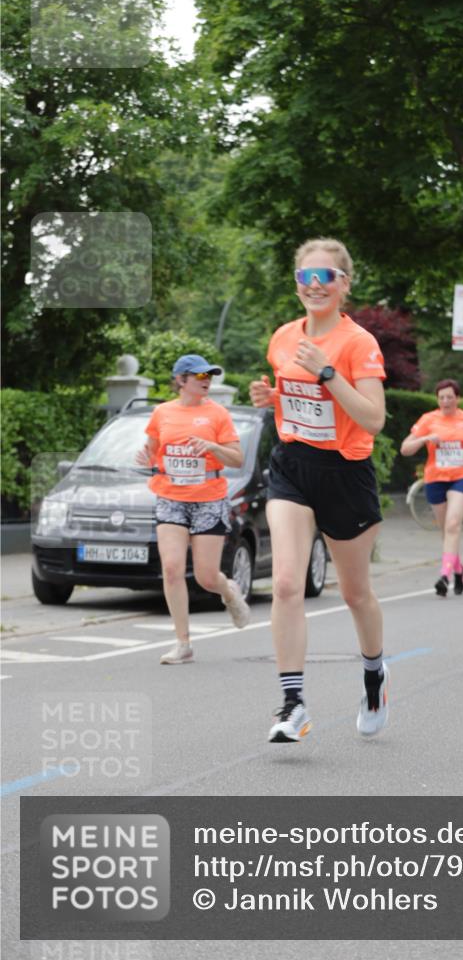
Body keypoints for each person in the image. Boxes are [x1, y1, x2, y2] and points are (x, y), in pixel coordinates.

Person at [249, 238, 389, 743]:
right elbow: (292, 397)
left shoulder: (358, 344)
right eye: (305, 277)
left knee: (355, 594)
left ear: (343, 284)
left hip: (345, 473)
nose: (314, 286)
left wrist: (327, 372)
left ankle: (374, 675)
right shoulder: (284, 337)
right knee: (286, 583)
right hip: (292, 466)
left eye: (325, 276)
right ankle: (292, 703)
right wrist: (272, 396)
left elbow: (373, 418)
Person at [136, 354, 250, 665]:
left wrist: (213, 448)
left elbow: (237, 459)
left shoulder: (218, 415)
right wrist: (146, 458)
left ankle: (228, 590)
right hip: (170, 496)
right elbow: (152, 450)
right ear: (181, 380)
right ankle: (182, 643)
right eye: (200, 377)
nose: (206, 381)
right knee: (171, 568)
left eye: (209, 376)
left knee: (206, 577)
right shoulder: (162, 413)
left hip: (208, 498)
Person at [400, 380, 463, 597]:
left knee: (454, 523)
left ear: (458, 398)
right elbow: (405, 449)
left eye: (450, 397)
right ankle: (458, 569)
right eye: (442, 398)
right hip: (435, 477)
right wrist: (426, 438)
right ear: (438, 400)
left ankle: (444, 575)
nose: (446, 401)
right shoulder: (428, 420)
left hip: (462, 476)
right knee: (445, 530)